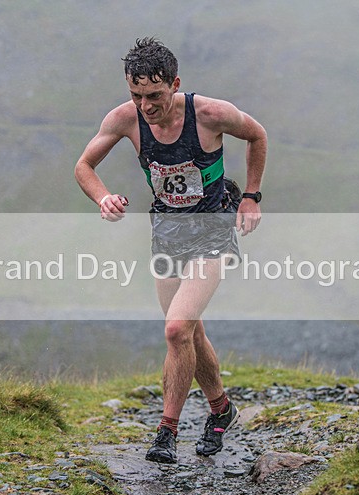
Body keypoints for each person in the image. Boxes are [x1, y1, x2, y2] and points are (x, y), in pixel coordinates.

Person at [74, 37, 267, 463]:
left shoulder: (210, 114)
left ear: (175, 84)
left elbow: (257, 135)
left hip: (212, 230)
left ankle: (167, 430)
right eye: (136, 95)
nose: (146, 105)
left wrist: (252, 196)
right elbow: (83, 166)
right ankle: (221, 411)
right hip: (166, 233)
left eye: (155, 95)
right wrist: (103, 198)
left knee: (176, 329)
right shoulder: (125, 119)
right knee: (190, 332)